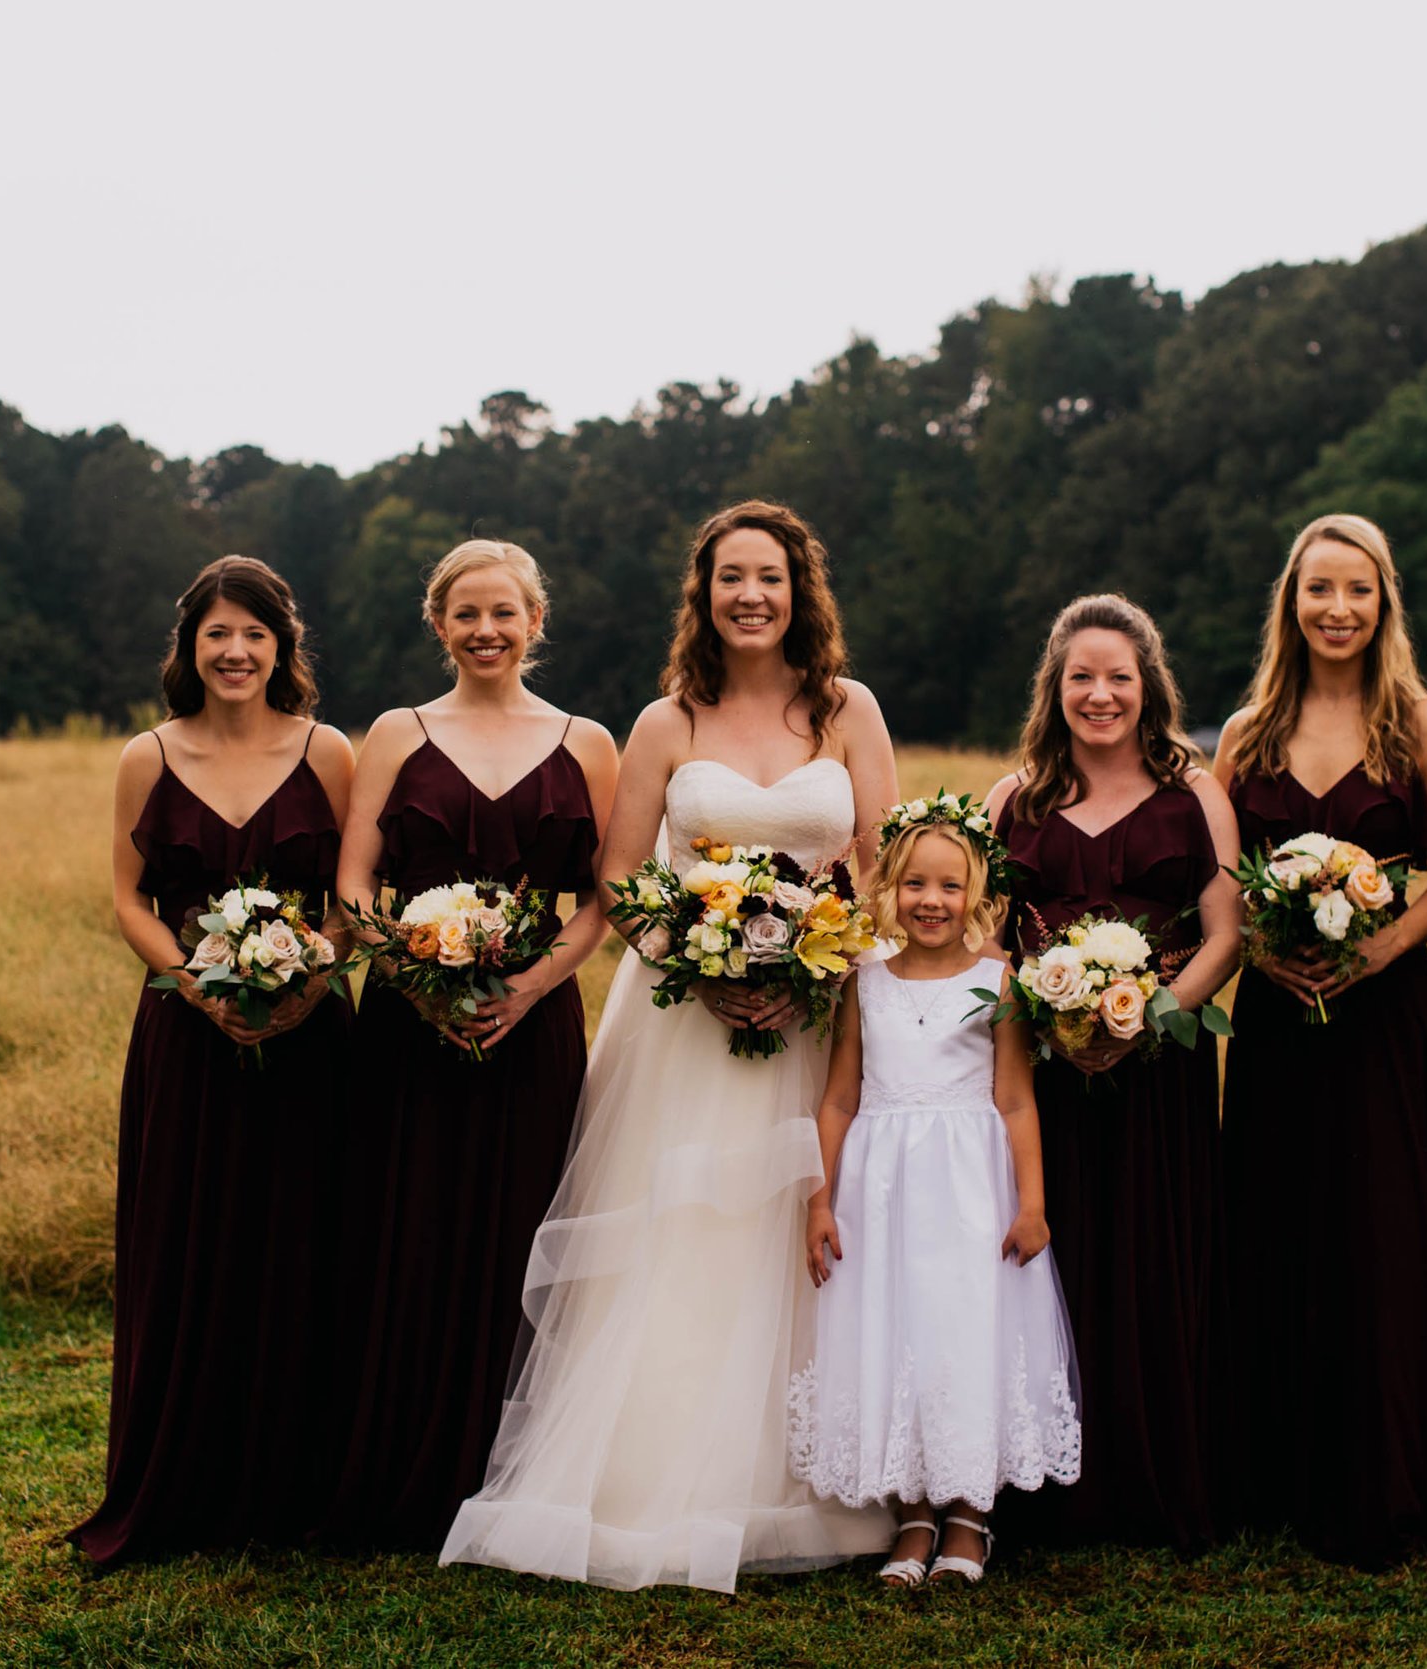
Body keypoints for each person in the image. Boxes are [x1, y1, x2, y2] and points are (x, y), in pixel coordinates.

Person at [440, 501, 899, 1591]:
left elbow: (881, 862)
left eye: (770, 578)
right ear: (702, 594)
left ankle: (810, 1485)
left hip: (814, 1012)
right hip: (680, 1020)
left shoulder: (847, 709)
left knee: (799, 1229)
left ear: (800, 593)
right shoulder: (665, 721)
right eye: (729, 577)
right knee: (685, 1228)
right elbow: (618, 879)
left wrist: (807, 973)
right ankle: (651, 1482)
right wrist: (704, 967)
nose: (750, 595)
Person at [323, 540, 618, 1548]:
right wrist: (411, 976)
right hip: (407, 1032)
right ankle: (397, 1459)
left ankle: (514, 1471)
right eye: (465, 614)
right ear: (437, 623)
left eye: (505, 612)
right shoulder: (397, 735)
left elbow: (603, 900)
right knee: (406, 1228)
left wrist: (530, 987)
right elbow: (353, 884)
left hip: (532, 1028)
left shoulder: (588, 742)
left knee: (522, 1229)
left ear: (536, 621)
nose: (485, 631)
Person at [73, 555, 354, 1566]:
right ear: (189, 646)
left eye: (255, 634)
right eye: (217, 634)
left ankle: (296, 1488)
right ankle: (182, 1482)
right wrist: (198, 984)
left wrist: (307, 982)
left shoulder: (330, 753)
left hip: (314, 1038)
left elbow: (346, 905)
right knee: (187, 1244)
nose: (236, 652)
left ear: (283, 647)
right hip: (185, 1037)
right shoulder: (147, 755)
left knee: (305, 1244)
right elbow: (128, 900)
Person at [1211, 513, 1427, 1561]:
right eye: (1319, 589)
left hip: (1386, 1012)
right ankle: (1273, 1472)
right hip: (1278, 1014)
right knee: (1277, 1219)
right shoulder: (1245, 734)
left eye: (1357, 590)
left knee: (1382, 1230)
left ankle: (1387, 1469)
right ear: (1291, 600)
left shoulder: (1426, 726)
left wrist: (1377, 952)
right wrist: (1265, 957)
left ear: (1384, 602)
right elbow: (1221, 880)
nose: (1337, 609)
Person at [982, 593, 1240, 1550]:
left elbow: (1226, 932)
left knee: (1154, 1250)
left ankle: (1152, 1474)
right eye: (1081, 677)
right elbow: (981, 936)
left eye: (1119, 677)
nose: (1100, 694)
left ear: (1149, 686)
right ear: (1055, 688)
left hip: (1163, 1067)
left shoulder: (1196, 791)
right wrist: (1051, 1021)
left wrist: (1153, 1019)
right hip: (1042, 1073)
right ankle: (1045, 1485)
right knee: (1051, 1256)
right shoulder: (1015, 799)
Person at [787, 808, 1080, 1585]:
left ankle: (968, 1515)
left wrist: (1032, 1204)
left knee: (960, 1332)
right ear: (889, 888)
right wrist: (820, 1200)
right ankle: (912, 1512)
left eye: (951, 886)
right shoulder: (864, 982)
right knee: (896, 1332)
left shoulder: (998, 982)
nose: (931, 900)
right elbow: (838, 1099)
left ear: (978, 896)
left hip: (969, 1193)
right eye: (914, 882)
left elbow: (1017, 1100)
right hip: (879, 1194)